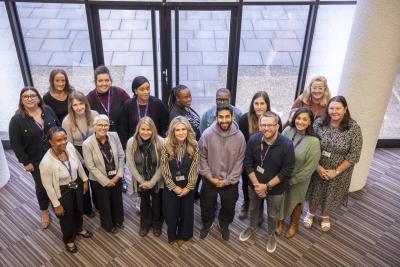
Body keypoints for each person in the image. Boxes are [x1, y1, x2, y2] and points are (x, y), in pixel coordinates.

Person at [304, 96, 362, 232]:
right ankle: (311, 213)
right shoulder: (318, 123)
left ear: (345, 109)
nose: (334, 111)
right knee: (315, 189)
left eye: (338, 108)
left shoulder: (353, 128)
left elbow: (354, 155)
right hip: (317, 165)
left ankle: (325, 215)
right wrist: (317, 166)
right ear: (327, 109)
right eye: (331, 108)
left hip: (340, 170)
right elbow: (308, 143)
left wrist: (335, 171)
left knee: (331, 192)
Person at [239, 111, 294, 254]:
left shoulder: (287, 145)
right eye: (263, 125)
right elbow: (248, 163)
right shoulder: (253, 139)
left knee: (272, 214)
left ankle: (270, 235)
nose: (266, 128)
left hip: (275, 188)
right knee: (253, 208)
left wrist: (267, 186)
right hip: (255, 185)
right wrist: (258, 185)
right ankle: (252, 227)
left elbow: (287, 170)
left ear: (277, 125)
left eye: (270, 125)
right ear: (259, 125)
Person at [9, 87, 60, 229]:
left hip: (55, 154)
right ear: (21, 100)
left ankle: (58, 203)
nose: (29, 98)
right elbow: (15, 144)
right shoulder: (17, 120)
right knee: (42, 185)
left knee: (58, 179)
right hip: (36, 159)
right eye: (26, 96)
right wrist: (26, 161)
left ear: (38, 98)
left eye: (32, 96)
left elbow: (59, 127)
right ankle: (44, 211)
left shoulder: (48, 110)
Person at [40, 127, 93, 253]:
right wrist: (56, 205)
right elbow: (48, 187)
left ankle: (79, 229)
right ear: (51, 142)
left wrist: (85, 179)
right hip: (62, 190)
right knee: (66, 216)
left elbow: (78, 164)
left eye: (65, 138)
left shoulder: (69, 147)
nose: (63, 142)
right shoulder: (46, 162)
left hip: (75, 183)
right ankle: (69, 239)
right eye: (59, 140)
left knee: (79, 208)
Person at [199, 104, 246, 241]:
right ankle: (207, 224)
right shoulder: (207, 134)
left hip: (230, 182)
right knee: (206, 206)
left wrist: (227, 181)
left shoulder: (240, 137)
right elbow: (202, 158)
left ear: (233, 117)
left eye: (227, 116)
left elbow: (239, 162)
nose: (224, 120)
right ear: (216, 117)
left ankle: (224, 225)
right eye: (221, 117)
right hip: (210, 180)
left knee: (229, 207)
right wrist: (209, 177)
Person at [277, 108, 321, 238]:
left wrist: (292, 180)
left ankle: (294, 224)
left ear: (310, 122)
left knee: (296, 201)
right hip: (282, 175)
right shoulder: (287, 131)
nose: (300, 121)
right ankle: (279, 221)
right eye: (298, 118)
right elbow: (278, 150)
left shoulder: (314, 142)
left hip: (300, 179)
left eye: (304, 119)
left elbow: (310, 168)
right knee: (281, 199)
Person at [238, 91, 281, 220]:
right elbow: (240, 141)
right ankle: (246, 204)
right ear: (252, 104)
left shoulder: (275, 119)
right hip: (249, 161)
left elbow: (280, 140)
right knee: (247, 184)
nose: (259, 106)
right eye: (256, 103)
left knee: (264, 185)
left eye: (262, 103)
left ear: (267, 105)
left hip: (268, 161)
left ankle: (260, 209)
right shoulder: (245, 119)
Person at [86, 65, 130, 192]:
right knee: (106, 158)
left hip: (120, 132)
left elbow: (130, 107)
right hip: (102, 133)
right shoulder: (90, 97)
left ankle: (120, 179)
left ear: (111, 80)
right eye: (100, 81)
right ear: (95, 82)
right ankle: (106, 179)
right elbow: (88, 117)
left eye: (107, 80)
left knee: (121, 157)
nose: (104, 83)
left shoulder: (119, 92)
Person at [82, 115, 125, 233]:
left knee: (117, 200)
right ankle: (108, 225)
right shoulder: (87, 144)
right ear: (94, 126)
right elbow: (90, 166)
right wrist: (106, 181)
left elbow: (121, 156)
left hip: (116, 176)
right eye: (100, 125)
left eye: (106, 125)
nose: (103, 127)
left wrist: (119, 175)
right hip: (99, 179)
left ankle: (118, 221)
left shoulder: (114, 136)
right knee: (104, 203)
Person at [161, 116, 199, 247]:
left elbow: (195, 168)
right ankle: (172, 235)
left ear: (188, 130)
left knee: (186, 213)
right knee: (171, 213)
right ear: (173, 132)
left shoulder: (194, 145)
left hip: (188, 185)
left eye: (184, 129)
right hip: (171, 186)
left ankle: (184, 235)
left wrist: (188, 187)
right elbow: (164, 170)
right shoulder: (165, 145)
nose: (181, 132)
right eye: (177, 130)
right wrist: (174, 187)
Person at [126, 117, 164, 237]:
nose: (146, 132)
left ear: (153, 130)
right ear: (138, 129)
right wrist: (142, 181)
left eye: (149, 129)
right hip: (140, 179)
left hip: (156, 180)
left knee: (158, 202)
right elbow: (130, 164)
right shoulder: (131, 142)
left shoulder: (160, 142)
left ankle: (157, 224)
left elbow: (163, 165)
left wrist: (152, 182)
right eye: (143, 129)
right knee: (144, 202)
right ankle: (145, 224)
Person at [62, 91, 98, 217]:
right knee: (84, 180)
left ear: (85, 103)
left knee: (97, 179)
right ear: (71, 107)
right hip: (78, 151)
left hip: (95, 149)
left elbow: (99, 135)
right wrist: (82, 160)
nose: (79, 107)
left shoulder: (94, 115)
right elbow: (69, 144)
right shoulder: (67, 121)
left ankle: (99, 204)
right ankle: (87, 208)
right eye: (75, 105)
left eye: (81, 103)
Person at [168, 84, 201, 199]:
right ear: (177, 98)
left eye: (190, 96)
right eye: (186, 97)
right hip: (188, 151)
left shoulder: (185, 107)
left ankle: (195, 193)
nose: (189, 99)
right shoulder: (176, 115)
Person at [119, 76, 169, 148]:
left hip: (154, 145)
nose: (146, 92)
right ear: (135, 91)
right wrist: (125, 147)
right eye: (142, 89)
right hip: (134, 145)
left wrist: (162, 144)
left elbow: (165, 126)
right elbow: (123, 129)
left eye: (148, 89)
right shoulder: (128, 105)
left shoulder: (157, 104)